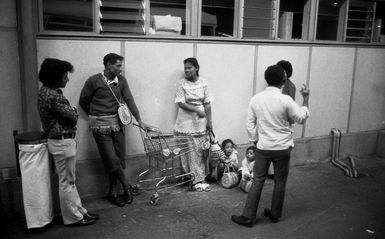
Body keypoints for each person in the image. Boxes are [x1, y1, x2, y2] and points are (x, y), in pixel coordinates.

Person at [231, 64, 310, 227]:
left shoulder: (256, 99)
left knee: (258, 180)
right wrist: (306, 98)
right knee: (280, 181)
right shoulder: (286, 100)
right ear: (284, 80)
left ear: (267, 80)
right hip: (283, 148)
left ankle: (248, 217)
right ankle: (275, 214)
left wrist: (254, 140)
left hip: (263, 147)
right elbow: (301, 119)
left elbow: (250, 123)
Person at [79, 53, 147, 207]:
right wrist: (95, 113)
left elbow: (129, 99)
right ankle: (126, 187)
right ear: (109, 65)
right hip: (99, 126)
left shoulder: (121, 81)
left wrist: (139, 120)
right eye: (118, 66)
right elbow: (83, 100)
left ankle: (112, 191)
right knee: (111, 158)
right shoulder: (93, 81)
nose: (120, 69)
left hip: (117, 124)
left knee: (117, 158)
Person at [38, 58, 98, 226]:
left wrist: (70, 111)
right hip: (62, 142)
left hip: (59, 142)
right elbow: (72, 116)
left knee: (69, 181)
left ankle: (80, 212)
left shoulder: (45, 91)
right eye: (65, 76)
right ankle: (73, 218)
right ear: (55, 77)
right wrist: (72, 110)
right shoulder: (53, 96)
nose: (67, 79)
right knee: (67, 183)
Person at [174, 57, 213, 192]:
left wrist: (210, 122)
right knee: (188, 151)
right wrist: (196, 109)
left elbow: (207, 104)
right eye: (185, 68)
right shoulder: (181, 83)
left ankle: (200, 178)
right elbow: (180, 102)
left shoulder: (204, 83)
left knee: (199, 150)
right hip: (185, 122)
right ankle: (193, 179)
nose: (187, 70)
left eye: (189, 67)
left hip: (200, 122)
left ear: (196, 68)